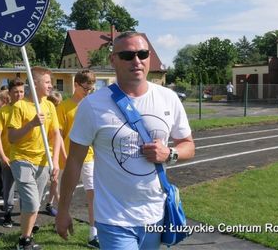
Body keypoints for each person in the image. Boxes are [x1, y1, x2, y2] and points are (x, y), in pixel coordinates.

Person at [56, 32, 196, 250]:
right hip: (114, 218)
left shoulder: (168, 98)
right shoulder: (92, 106)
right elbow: (74, 161)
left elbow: (188, 145)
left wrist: (170, 154)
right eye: (128, 55)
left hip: (155, 214)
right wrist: (63, 210)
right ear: (113, 60)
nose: (137, 60)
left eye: (142, 54)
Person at [8, 67, 61, 250]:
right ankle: (24, 241)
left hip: (43, 161)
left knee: (35, 204)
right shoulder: (19, 106)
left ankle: (26, 239)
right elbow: (12, 137)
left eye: (50, 82)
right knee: (31, 202)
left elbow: (56, 135)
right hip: (21, 159)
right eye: (47, 82)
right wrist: (31, 124)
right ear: (34, 83)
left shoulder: (49, 106)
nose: (50, 85)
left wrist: (55, 161)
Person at [55, 69, 99, 248]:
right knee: (65, 196)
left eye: (91, 88)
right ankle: (61, 220)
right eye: (85, 88)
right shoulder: (64, 107)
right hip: (67, 158)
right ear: (75, 84)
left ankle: (93, 234)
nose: (88, 91)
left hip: (89, 158)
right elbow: (58, 134)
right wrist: (63, 156)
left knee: (93, 194)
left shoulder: (93, 106)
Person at [0, 77, 25, 228]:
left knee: (26, 188)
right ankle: (7, 214)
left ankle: (27, 218)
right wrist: (2, 155)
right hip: (8, 157)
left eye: (21, 92)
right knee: (9, 187)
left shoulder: (28, 108)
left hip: (26, 157)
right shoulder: (4, 112)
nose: (19, 95)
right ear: (10, 93)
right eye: (16, 92)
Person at [44, 91, 65, 218]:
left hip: (54, 152)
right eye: (54, 104)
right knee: (54, 180)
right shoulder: (47, 114)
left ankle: (50, 204)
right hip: (46, 152)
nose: (56, 107)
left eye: (58, 105)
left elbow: (59, 137)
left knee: (55, 181)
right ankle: (62, 210)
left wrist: (63, 154)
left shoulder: (56, 115)